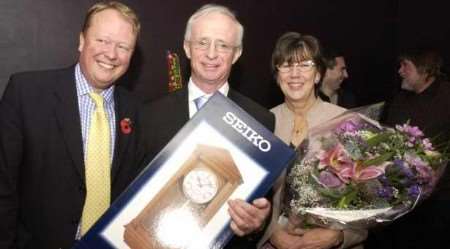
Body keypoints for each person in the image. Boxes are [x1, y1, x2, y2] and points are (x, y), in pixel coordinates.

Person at [0, 2, 144, 248]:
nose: (111, 54)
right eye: (102, 40)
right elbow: (3, 186)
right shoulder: (27, 94)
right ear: (81, 40)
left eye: (123, 46)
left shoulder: (138, 111)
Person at [139, 4, 274, 249]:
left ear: (237, 53)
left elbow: (259, 205)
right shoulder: (149, 116)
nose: (211, 54)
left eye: (223, 45)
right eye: (202, 42)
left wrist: (256, 223)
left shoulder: (260, 119)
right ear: (187, 47)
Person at [258, 32, 367, 249]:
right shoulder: (263, 123)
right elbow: (250, 195)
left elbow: (368, 197)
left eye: (305, 65)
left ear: (317, 74)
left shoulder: (346, 121)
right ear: (277, 75)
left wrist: (339, 236)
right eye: (286, 65)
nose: (295, 74)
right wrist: (272, 233)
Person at [366, 48, 450, 249]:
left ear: (425, 69)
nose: (400, 71)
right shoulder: (400, 99)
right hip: (400, 198)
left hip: (439, 201)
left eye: (406, 66)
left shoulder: (447, 97)